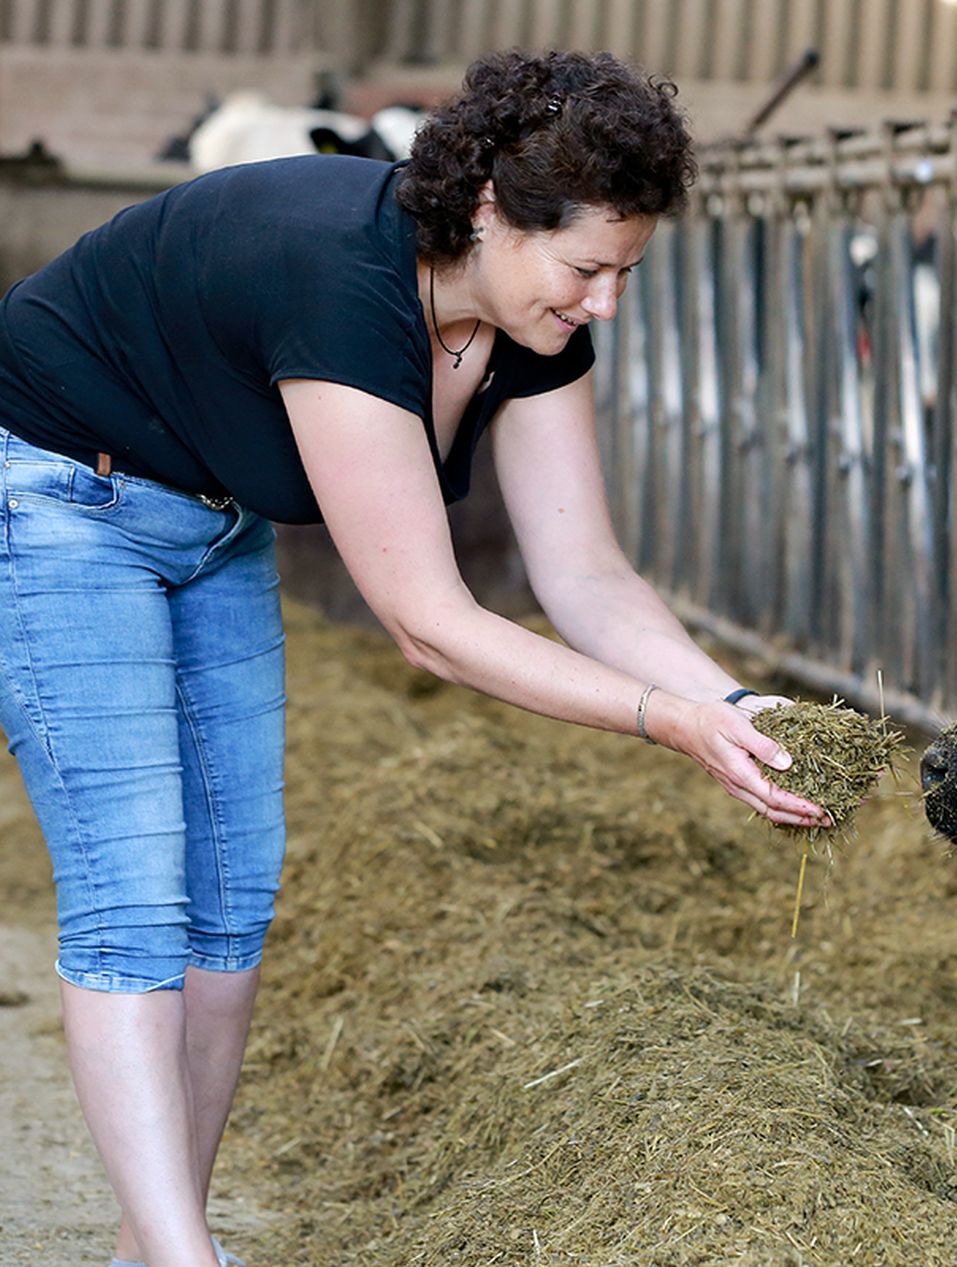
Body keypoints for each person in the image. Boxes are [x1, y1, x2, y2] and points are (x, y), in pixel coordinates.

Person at [0, 49, 828, 1267]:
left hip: (213, 518)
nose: (605, 304)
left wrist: (734, 705)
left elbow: (585, 572)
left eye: (626, 273)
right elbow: (428, 624)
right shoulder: (345, 280)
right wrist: (666, 720)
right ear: (490, 212)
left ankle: (150, 1246)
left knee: (230, 905)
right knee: (133, 889)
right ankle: (187, 1259)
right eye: (588, 268)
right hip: (64, 498)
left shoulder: (530, 321)